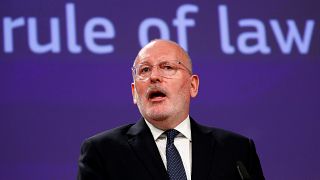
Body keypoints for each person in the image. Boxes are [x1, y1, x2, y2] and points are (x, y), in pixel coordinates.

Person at [77, 39, 265, 180]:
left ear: (193, 85)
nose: (154, 77)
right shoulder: (103, 152)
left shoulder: (237, 151)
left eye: (167, 67)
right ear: (134, 92)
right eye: (144, 70)